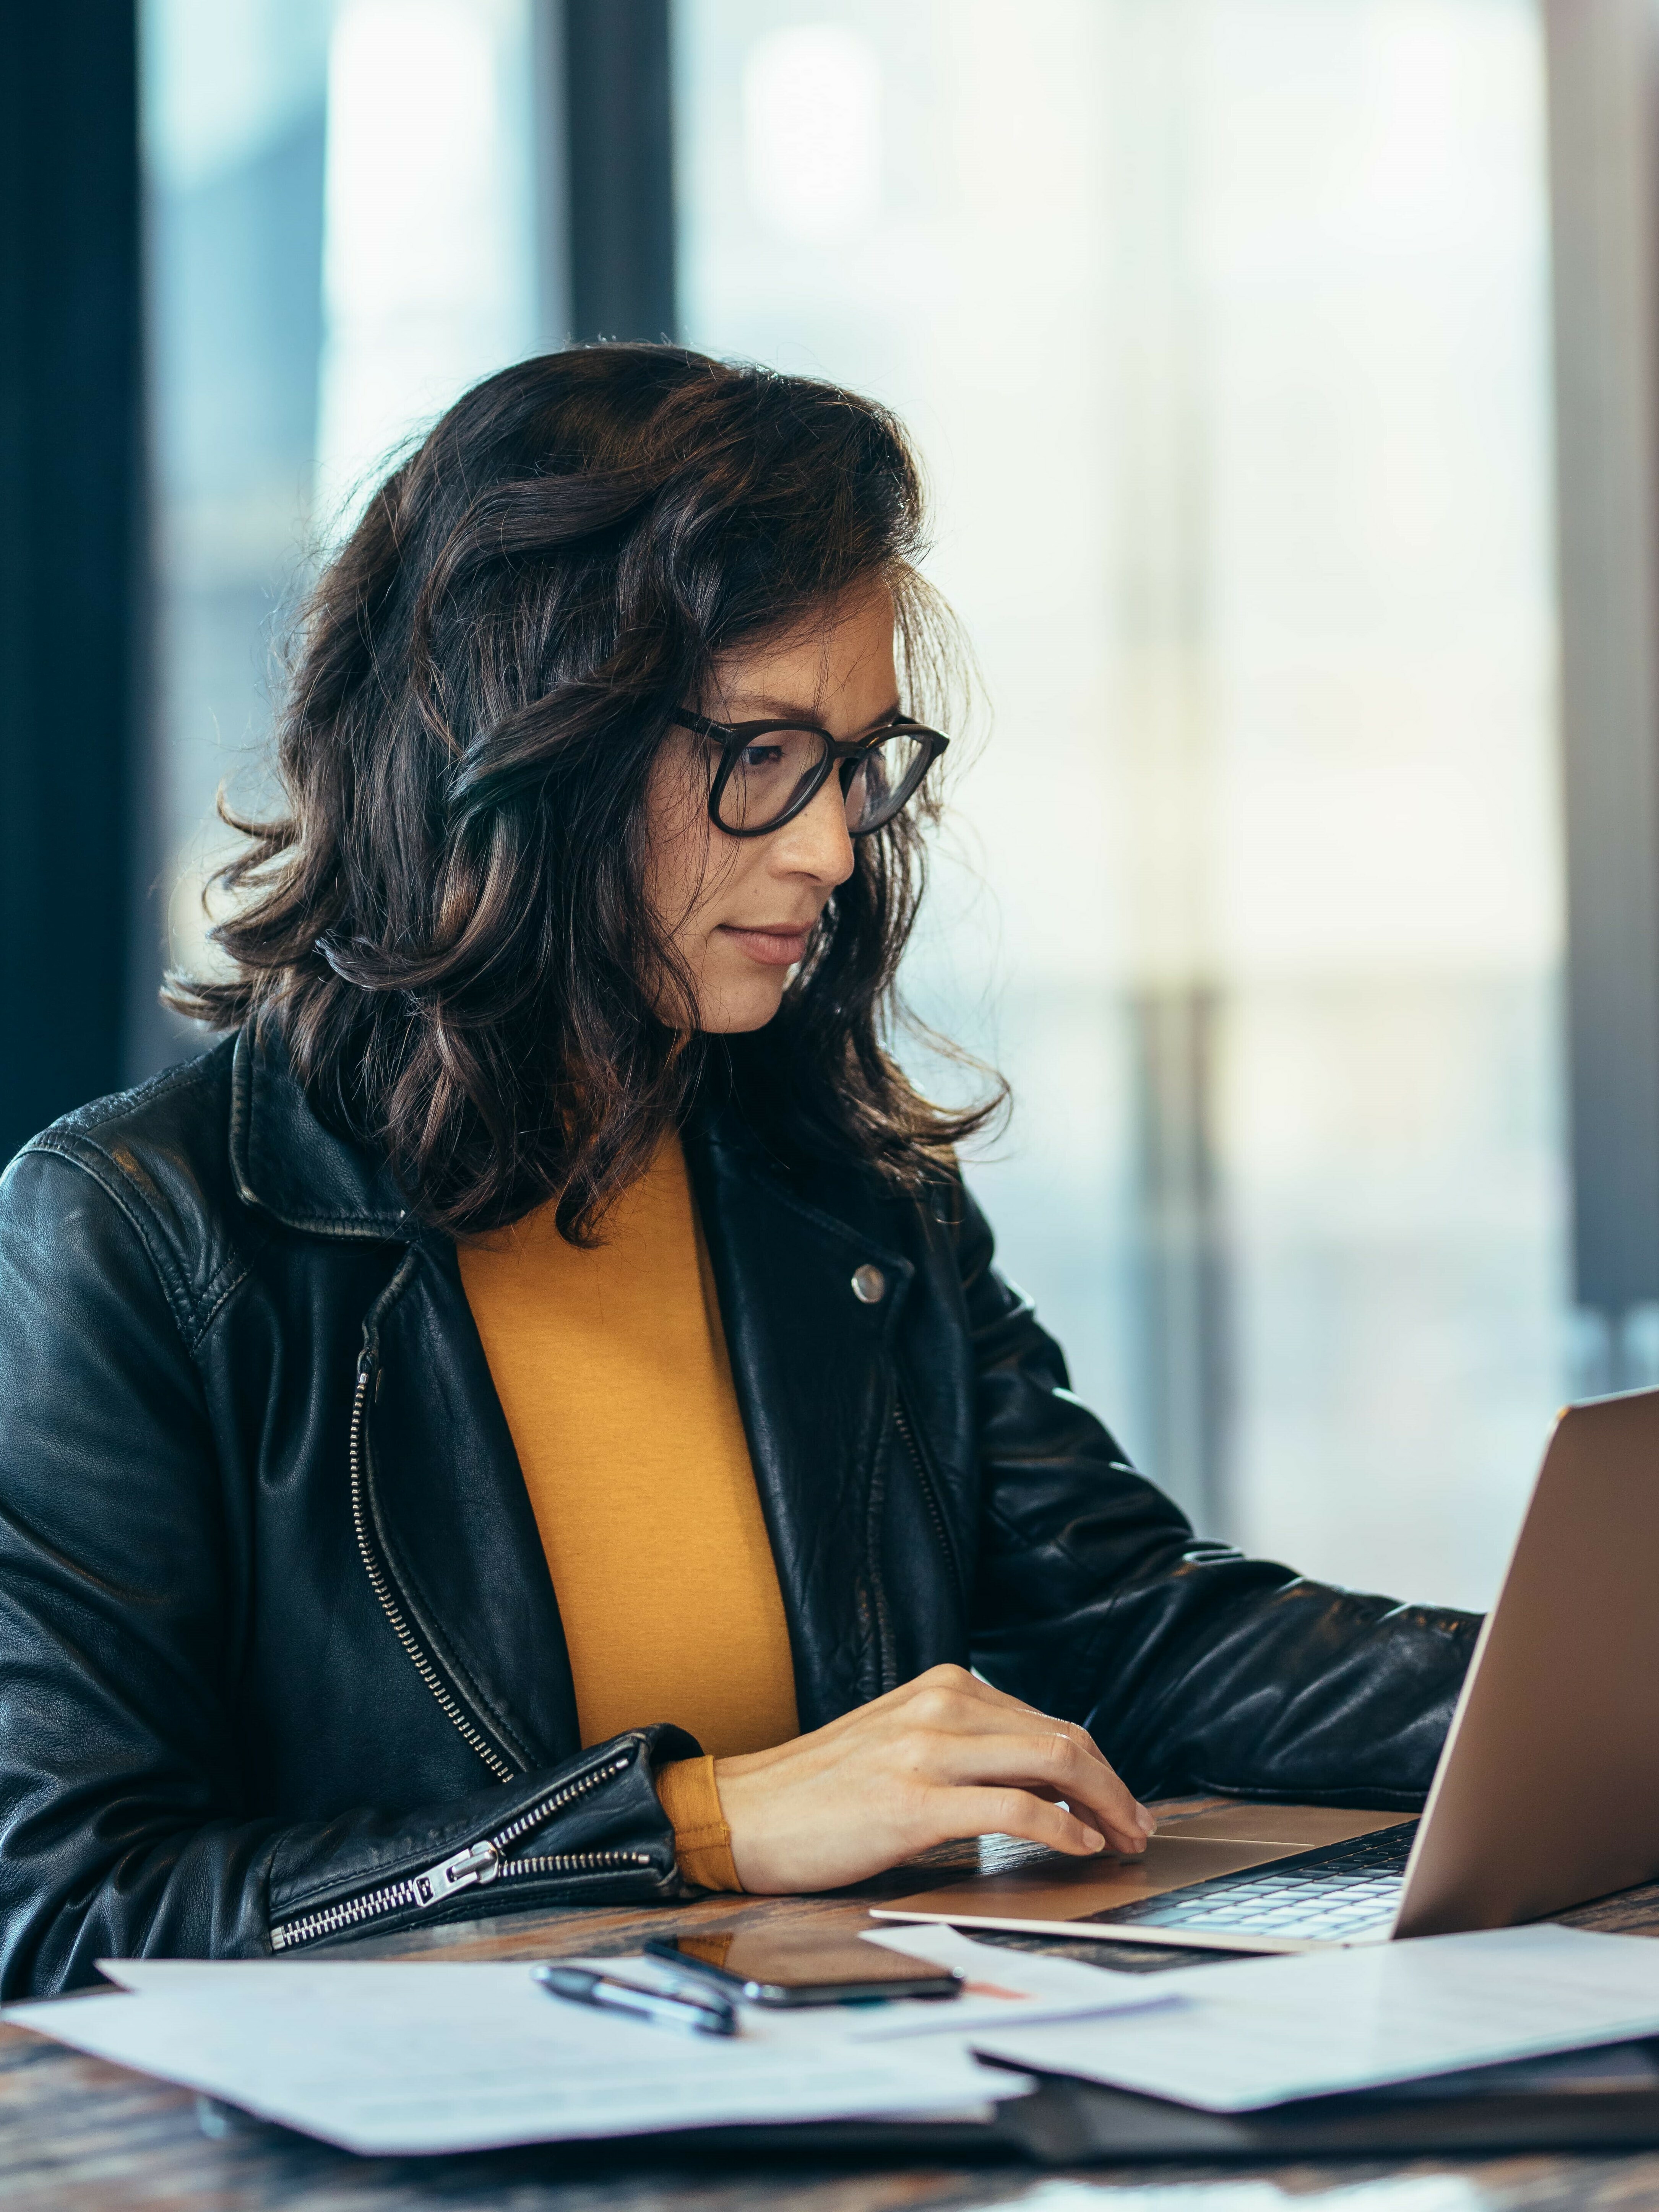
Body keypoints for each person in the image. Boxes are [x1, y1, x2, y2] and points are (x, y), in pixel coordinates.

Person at [0, 346, 1477, 1997]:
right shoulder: (136, 1236)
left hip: (847, 2124)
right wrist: (697, 1822)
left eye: (852, 763)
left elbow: (1136, 1628)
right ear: (532, 735)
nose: (835, 846)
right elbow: (69, 1909)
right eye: (761, 754)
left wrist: (1563, 1696)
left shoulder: (835, 1190)